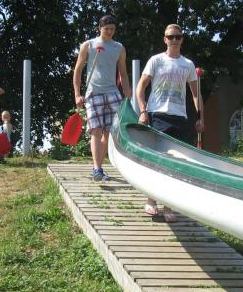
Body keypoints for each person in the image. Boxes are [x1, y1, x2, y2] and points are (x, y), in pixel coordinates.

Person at [136, 23, 204, 222]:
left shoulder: (188, 64)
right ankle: (151, 200)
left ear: (182, 39)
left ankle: (168, 207)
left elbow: (196, 94)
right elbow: (140, 87)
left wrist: (200, 117)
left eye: (177, 37)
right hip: (158, 114)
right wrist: (143, 110)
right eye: (170, 37)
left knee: (176, 163)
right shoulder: (156, 60)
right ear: (165, 39)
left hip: (180, 117)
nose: (174, 40)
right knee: (158, 158)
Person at [72, 14, 131, 181]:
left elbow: (123, 73)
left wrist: (128, 93)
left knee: (109, 132)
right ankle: (97, 169)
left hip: (113, 93)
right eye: (106, 29)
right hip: (93, 93)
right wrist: (77, 94)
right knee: (95, 130)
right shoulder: (88, 45)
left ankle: (100, 167)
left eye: (112, 29)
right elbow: (78, 71)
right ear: (100, 28)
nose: (110, 32)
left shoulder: (119, 48)